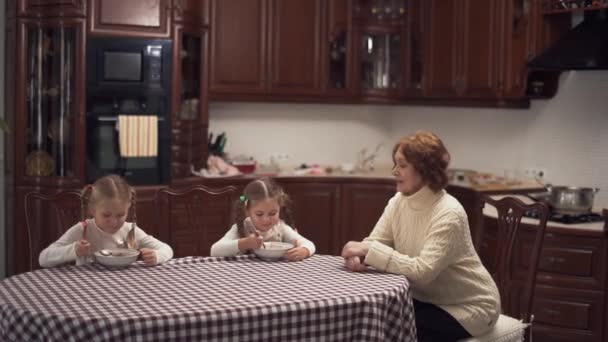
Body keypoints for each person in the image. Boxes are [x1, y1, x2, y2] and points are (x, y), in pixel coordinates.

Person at [341, 131, 500, 341]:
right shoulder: (398, 201)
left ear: (426, 171)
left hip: (469, 307)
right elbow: (375, 242)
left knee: (389, 324)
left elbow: (423, 271)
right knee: (372, 316)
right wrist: (359, 256)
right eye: (395, 164)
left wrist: (369, 251)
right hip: (425, 298)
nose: (394, 171)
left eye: (402, 165)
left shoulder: (449, 212)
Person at [39, 174, 173, 268]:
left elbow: (167, 249)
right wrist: (73, 250)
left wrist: (157, 256)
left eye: (121, 215)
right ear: (92, 210)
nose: (114, 222)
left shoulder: (130, 231)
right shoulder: (83, 230)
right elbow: (44, 258)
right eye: (106, 215)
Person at [210, 178, 315, 261]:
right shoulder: (241, 228)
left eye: (272, 213)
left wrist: (303, 251)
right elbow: (214, 251)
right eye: (259, 214)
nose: (266, 220)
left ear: (280, 209)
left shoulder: (280, 227)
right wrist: (245, 243)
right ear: (247, 211)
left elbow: (308, 244)